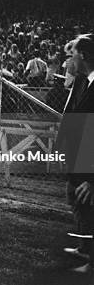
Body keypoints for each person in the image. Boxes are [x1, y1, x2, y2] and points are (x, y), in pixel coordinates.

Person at [56, 34, 94, 274]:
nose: (70, 59)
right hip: (78, 157)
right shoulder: (82, 81)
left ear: (85, 56)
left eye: (73, 54)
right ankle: (85, 248)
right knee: (79, 205)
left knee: (89, 206)